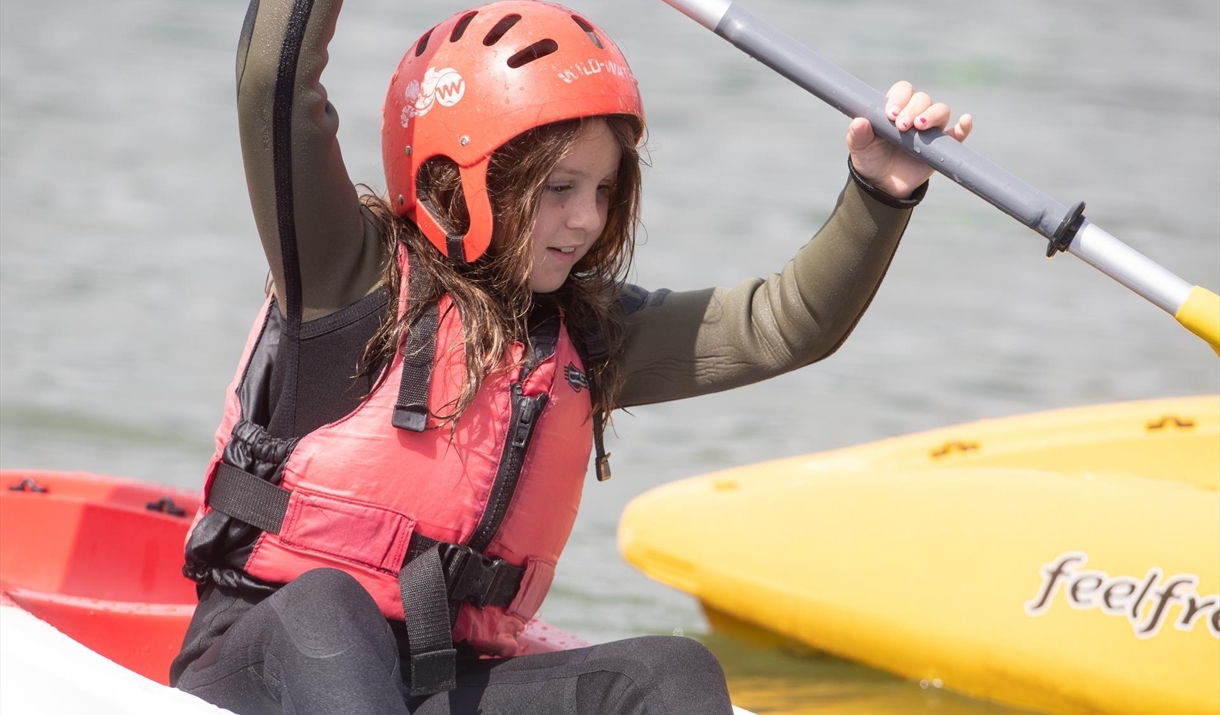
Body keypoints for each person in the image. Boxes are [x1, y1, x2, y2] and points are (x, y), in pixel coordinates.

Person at [170, 1, 972, 713]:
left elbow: (782, 324)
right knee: (330, 608)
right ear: (458, 176)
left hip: (443, 681)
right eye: (559, 187)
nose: (586, 219)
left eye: (604, 189)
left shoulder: (589, 336)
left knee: (674, 671)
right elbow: (274, 91)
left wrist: (882, 189)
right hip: (263, 662)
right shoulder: (345, 272)